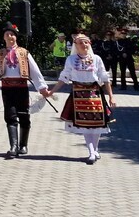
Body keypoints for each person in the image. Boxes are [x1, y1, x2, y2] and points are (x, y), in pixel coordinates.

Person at [0, 23, 50, 159]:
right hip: (7, 88)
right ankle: (13, 146)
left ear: (16, 37)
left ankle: (23, 145)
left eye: (12, 34)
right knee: (10, 116)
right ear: (4, 38)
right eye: (7, 35)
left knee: (24, 115)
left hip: (21, 88)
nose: (10, 37)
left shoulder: (24, 53)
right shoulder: (0, 54)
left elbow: (35, 71)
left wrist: (42, 87)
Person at [46, 33, 116, 164]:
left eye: (86, 42)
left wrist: (111, 96)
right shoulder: (71, 59)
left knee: (98, 123)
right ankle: (91, 151)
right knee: (84, 123)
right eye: (80, 43)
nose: (84, 45)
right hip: (78, 93)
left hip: (95, 93)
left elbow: (105, 77)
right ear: (76, 46)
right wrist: (52, 91)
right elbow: (64, 77)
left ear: (89, 43)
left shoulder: (96, 59)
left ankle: (95, 149)